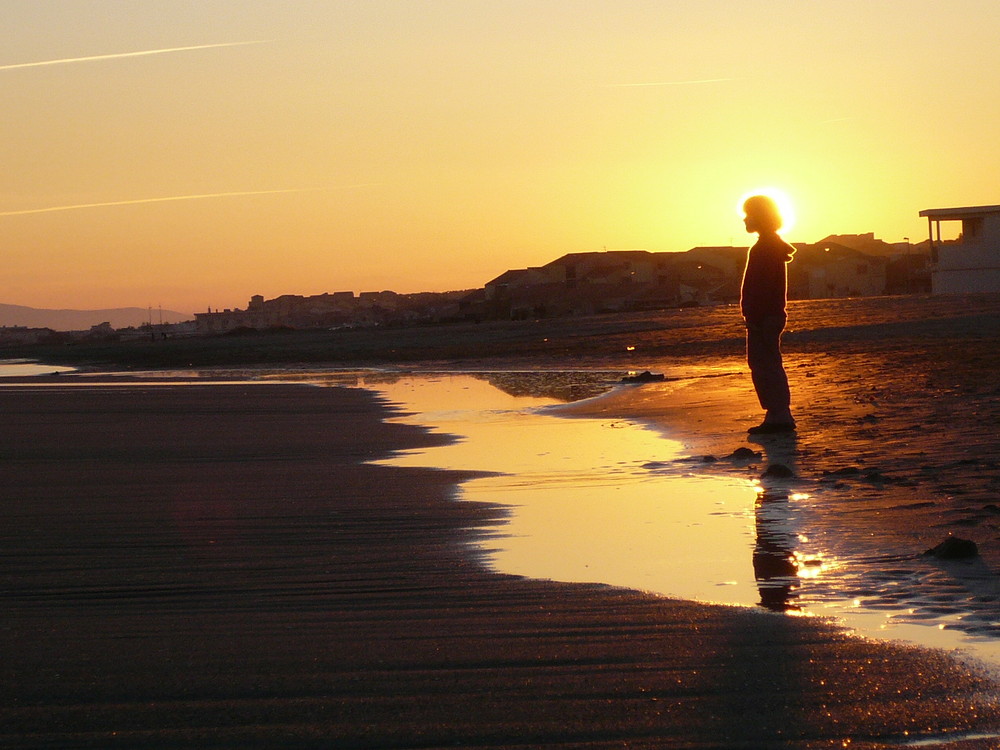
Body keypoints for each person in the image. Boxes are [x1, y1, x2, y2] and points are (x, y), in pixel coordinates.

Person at [740, 195, 796, 434]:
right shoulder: (769, 245)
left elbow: (762, 286)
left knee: (765, 364)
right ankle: (776, 414)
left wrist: (755, 318)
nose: (744, 219)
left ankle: (779, 414)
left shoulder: (765, 248)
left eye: (748, 214)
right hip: (766, 316)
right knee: (766, 363)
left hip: (765, 316)